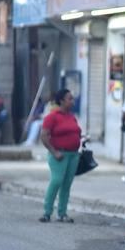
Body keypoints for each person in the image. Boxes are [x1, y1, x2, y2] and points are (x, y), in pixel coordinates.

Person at [39, 89, 83, 223]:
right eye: (70, 99)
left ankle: (62, 213)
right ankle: (47, 212)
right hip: (59, 154)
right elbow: (44, 136)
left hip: (73, 155)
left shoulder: (72, 117)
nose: (72, 101)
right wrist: (54, 152)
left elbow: (75, 132)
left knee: (66, 184)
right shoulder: (52, 117)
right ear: (62, 101)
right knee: (56, 181)